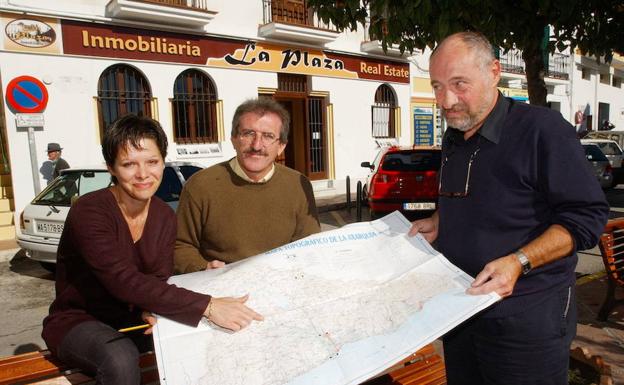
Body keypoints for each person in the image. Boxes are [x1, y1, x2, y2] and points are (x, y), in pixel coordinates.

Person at [409, 32, 609, 385]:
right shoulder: (455, 134)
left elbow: (586, 217)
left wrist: (520, 261)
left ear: (494, 72)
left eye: (459, 84)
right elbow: (477, 197)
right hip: (461, 313)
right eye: (437, 86)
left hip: (526, 323)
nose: (446, 100)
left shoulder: (543, 131)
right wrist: (440, 220)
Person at [42, 114, 263, 385]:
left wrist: (154, 308)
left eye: (152, 162)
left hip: (136, 320)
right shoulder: (89, 211)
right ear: (111, 167)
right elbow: (122, 280)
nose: (143, 174)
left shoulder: (164, 216)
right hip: (78, 322)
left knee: (211, 342)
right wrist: (208, 305)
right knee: (120, 357)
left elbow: (157, 280)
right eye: (129, 164)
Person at [174, 98, 320, 274]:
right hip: (222, 291)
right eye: (248, 133)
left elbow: (310, 245)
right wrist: (202, 267)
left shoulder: (298, 185)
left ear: (281, 146)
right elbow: (179, 246)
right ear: (234, 139)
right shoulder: (200, 186)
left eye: (268, 136)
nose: (257, 145)